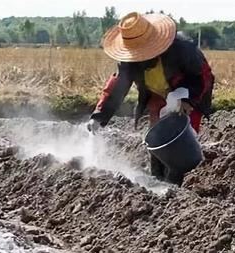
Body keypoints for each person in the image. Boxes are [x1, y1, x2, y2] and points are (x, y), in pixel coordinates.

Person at [87, 12, 214, 186]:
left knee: (177, 143)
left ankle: (174, 188)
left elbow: (202, 77)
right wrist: (99, 116)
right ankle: (157, 183)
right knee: (157, 140)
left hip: (188, 93)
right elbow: (118, 86)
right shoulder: (130, 61)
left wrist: (187, 100)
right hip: (158, 95)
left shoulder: (183, 49)